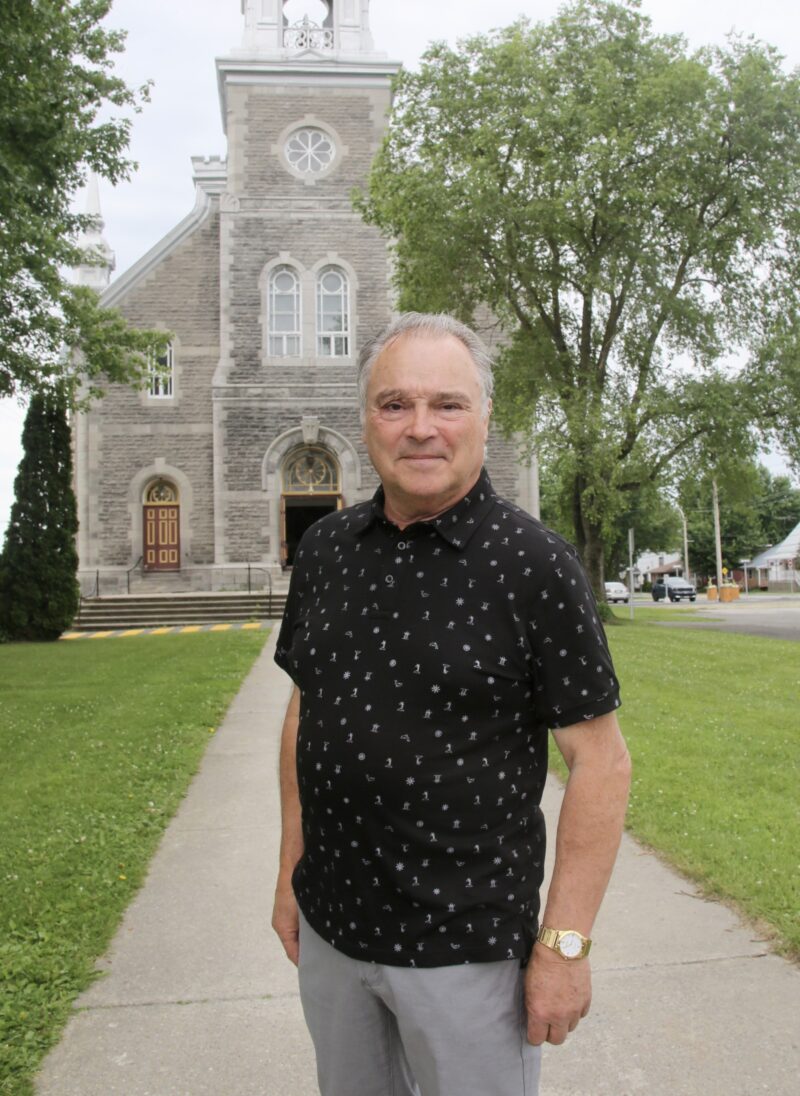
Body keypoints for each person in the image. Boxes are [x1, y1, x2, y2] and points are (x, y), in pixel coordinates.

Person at [272, 312, 631, 1096]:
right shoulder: (327, 552)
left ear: (484, 418)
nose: (420, 429)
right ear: (364, 418)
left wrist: (564, 946)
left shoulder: (535, 566)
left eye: (448, 404)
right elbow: (305, 715)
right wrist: (288, 868)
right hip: (333, 932)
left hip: (465, 953)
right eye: (394, 404)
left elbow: (600, 762)